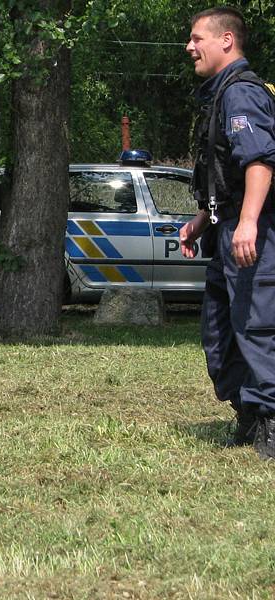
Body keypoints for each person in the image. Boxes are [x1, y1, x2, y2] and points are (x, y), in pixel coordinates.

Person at [180, 7, 275, 457]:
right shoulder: (219, 95)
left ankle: (270, 420)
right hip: (225, 228)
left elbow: (260, 161)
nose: (190, 47)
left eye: (197, 38)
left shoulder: (242, 94)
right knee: (219, 332)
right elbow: (226, 170)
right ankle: (249, 414)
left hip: (251, 230)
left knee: (256, 326)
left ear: (226, 42)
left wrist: (251, 222)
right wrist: (203, 219)